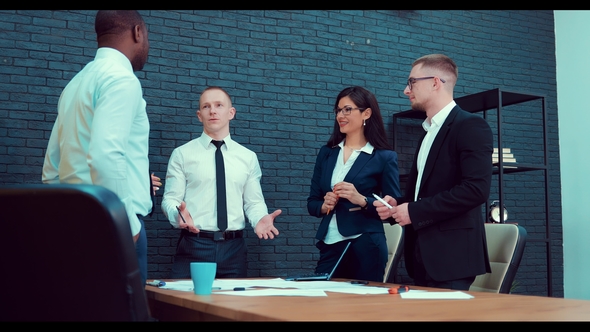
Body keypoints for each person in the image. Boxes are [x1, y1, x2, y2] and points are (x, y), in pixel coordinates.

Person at [41, 10, 152, 286]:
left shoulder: (75, 85)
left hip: (75, 227)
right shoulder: (122, 80)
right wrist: (128, 224)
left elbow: (51, 171)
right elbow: (105, 157)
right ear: (138, 32)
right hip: (116, 229)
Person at [374, 54, 493, 290]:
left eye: (411, 82)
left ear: (435, 82)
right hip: (421, 255)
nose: (406, 90)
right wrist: (397, 204)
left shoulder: (470, 125)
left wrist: (414, 211)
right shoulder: (428, 132)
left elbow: (476, 190)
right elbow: (425, 192)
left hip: (452, 258)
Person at [161, 86, 281, 278]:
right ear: (199, 115)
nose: (213, 111)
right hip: (194, 245)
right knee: (185, 305)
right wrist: (178, 216)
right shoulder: (182, 154)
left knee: (231, 306)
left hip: (234, 249)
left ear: (231, 113)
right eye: (206, 107)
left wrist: (259, 218)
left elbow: (253, 202)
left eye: (219, 105)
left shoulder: (248, 157)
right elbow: (170, 199)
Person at [307, 86, 400, 282]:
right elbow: (312, 203)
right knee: (325, 303)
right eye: (338, 110)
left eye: (347, 109)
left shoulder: (384, 157)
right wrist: (324, 206)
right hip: (330, 241)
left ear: (366, 113)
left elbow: (393, 208)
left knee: (365, 307)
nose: (340, 115)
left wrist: (362, 200)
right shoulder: (327, 153)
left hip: (366, 243)